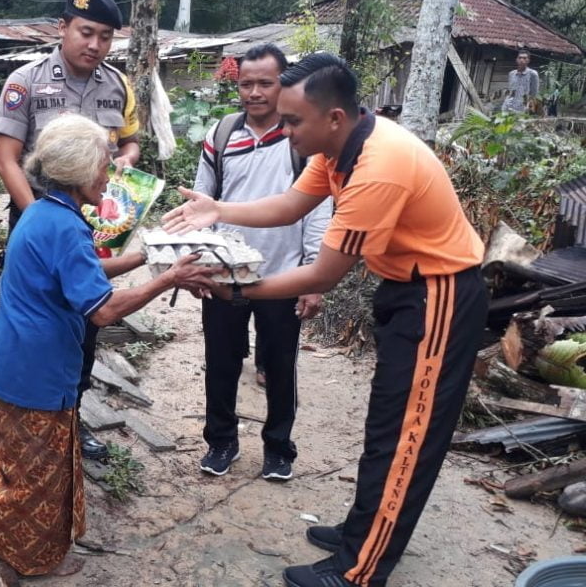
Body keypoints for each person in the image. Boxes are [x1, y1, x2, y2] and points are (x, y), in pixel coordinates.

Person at [164, 53, 487, 587]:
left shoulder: (378, 167)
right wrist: (218, 210)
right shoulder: (338, 147)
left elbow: (323, 275)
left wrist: (234, 289)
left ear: (334, 116)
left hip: (439, 295)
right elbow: (291, 204)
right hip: (409, 290)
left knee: (407, 432)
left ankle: (359, 570)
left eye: (293, 121)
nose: (283, 129)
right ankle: (363, 533)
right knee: (387, 423)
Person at [0, 114, 216, 578]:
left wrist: (149, 257)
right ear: (82, 171)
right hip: (39, 371)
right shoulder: (66, 227)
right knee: (40, 472)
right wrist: (169, 278)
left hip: (11, 362)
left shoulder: (45, 214)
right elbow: (103, 310)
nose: (109, 177)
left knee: (10, 460)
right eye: (105, 167)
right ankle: (30, 561)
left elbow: (81, 274)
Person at [0, 0, 140, 461]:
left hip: (95, 219)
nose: (94, 44)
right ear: (63, 28)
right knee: (41, 318)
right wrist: (37, 214)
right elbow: (7, 157)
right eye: (85, 32)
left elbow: (130, 144)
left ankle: (69, 417)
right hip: (42, 217)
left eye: (104, 36)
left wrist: (120, 163)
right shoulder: (26, 82)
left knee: (87, 323)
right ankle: (28, 412)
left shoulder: (116, 85)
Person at [193, 43, 330, 480]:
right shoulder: (222, 134)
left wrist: (313, 277)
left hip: (283, 274)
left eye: (264, 83)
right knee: (221, 361)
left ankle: (278, 448)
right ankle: (220, 442)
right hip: (224, 274)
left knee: (280, 364)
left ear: (283, 83)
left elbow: (317, 210)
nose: (254, 92)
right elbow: (203, 204)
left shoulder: (301, 139)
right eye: (246, 83)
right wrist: (199, 263)